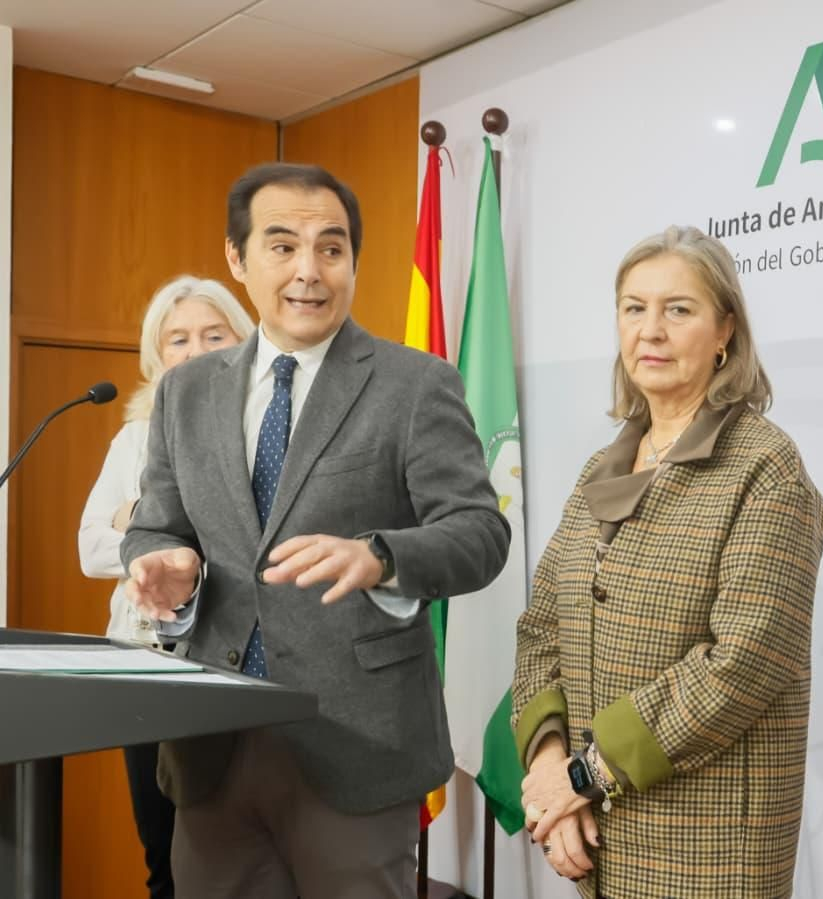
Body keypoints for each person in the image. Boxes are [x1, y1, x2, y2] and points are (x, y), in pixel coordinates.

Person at [121, 162, 511, 898]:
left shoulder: (414, 383)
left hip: (358, 746)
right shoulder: (185, 392)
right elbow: (154, 526)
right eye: (282, 246)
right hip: (215, 750)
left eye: (331, 248)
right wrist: (164, 565)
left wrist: (381, 555)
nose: (309, 270)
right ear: (237, 260)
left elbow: (479, 533)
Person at [511, 225, 823, 897]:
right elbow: (542, 628)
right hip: (601, 833)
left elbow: (740, 663)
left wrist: (580, 777)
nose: (650, 330)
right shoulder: (605, 465)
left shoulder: (767, 468)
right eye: (634, 307)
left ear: (725, 333)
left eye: (677, 309)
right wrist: (547, 762)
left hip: (706, 849)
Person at [78, 275, 254, 899]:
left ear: (244, 339)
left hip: (227, 663)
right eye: (177, 339)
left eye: (213, 334)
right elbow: (91, 547)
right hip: (140, 664)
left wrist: (148, 525)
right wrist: (145, 527)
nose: (194, 350)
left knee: (225, 851)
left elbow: (239, 548)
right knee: (162, 853)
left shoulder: (265, 428)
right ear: (157, 355)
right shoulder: (132, 438)